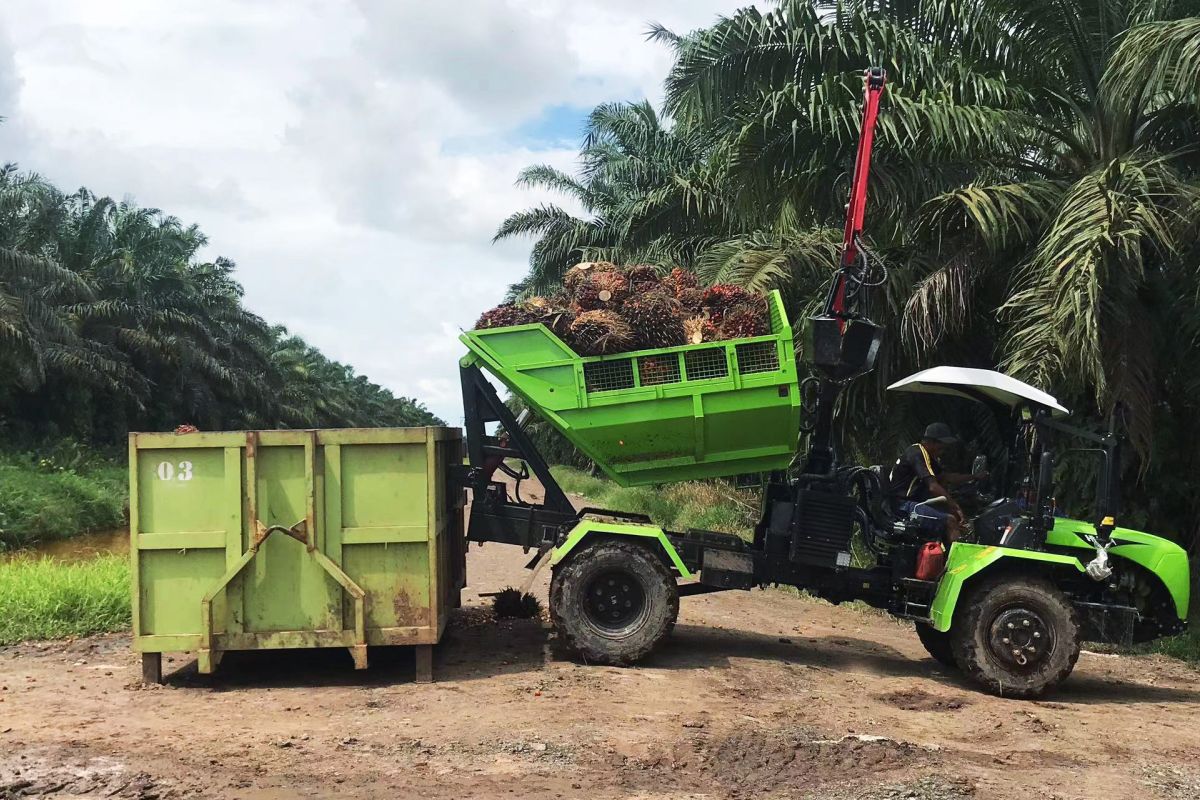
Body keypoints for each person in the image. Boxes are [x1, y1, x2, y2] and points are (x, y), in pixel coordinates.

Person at [887, 422, 979, 542]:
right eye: (942, 445)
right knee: (950, 521)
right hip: (903, 506)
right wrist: (955, 506)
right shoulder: (917, 453)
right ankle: (955, 559)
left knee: (952, 515)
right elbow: (933, 487)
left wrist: (975, 476)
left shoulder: (926, 456)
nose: (943, 450)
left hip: (911, 504)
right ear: (931, 442)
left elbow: (946, 477)